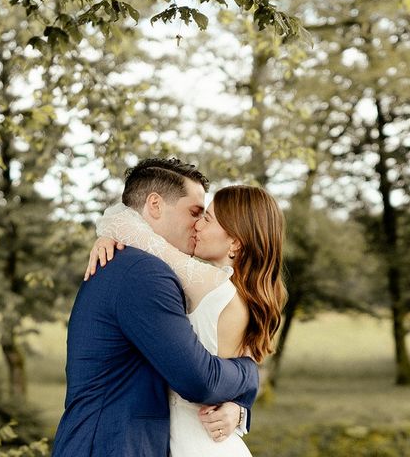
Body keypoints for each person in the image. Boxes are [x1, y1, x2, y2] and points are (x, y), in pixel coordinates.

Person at [52, 158, 260, 457]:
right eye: (194, 212)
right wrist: (248, 373)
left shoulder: (128, 260)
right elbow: (198, 380)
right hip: (110, 446)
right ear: (155, 204)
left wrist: (239, 409)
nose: (198, 225)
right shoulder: (143, 272)